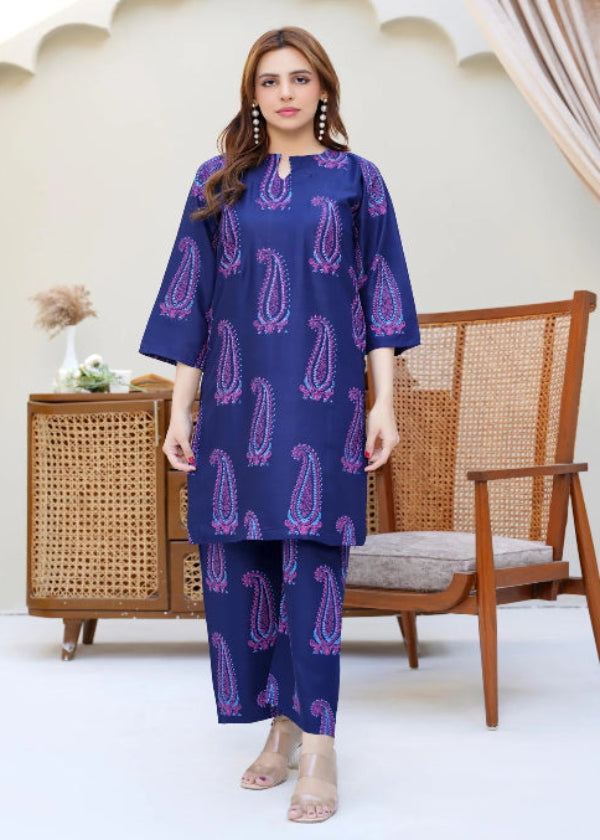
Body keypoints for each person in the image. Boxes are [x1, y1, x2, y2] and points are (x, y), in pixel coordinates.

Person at [139, 25, 420, 823]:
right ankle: (280, 727)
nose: (287, 92)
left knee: (313, 568)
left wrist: (384, 405)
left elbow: (381, 299)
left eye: (301, 78)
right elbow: (189, 298)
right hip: (234, 403)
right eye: (270, 82)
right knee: (243, 567)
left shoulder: (357, 179)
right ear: (252, 96)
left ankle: (321, 744)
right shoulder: (218, 180)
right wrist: (182, 408)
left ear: (324, 89)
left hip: (324, 402)